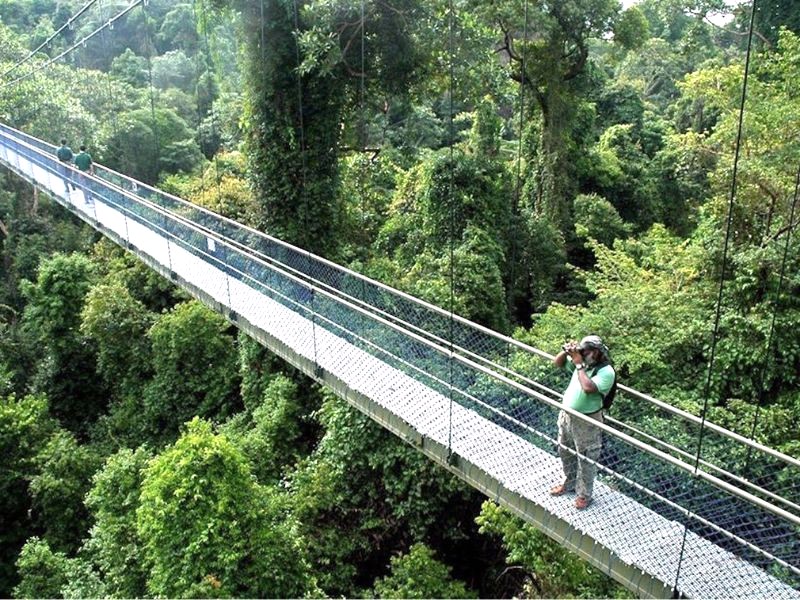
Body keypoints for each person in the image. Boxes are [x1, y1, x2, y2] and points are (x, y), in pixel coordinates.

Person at [550, 335, 615, 509]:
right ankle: (569, 483)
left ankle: (584, 495)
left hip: (587, 421)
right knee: (565, 451)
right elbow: (557, 363)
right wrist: (566, 352)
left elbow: (588, 388)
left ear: (596, 352)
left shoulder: (606, 371)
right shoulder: (584, 362)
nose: (582, 354)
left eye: (585, 351)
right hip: (567, 415)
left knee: (586, 458)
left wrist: (578, 363)